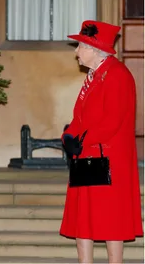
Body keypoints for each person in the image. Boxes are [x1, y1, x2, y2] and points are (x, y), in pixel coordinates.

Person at [60, 20, 143, 263]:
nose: (76, 51)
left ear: (95, 49)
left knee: (111, 219)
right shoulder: (96, 75)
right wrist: (68, 136)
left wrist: (82, 141)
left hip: (109, 160)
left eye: (80, 46)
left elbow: (112, 122)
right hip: (88, 156)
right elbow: (79, 116)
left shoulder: (117, 74)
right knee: (83, 217)